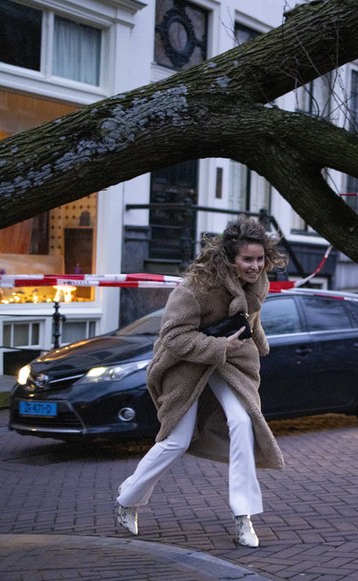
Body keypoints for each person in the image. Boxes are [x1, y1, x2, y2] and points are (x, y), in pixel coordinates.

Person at [115, 216, 286, 547]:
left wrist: (260, 343)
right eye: (247, 259)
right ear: (230, 258)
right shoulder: (195, 288)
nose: (255, 266)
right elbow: (174, 337)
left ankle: (243, 517)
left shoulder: (258, 281)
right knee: (176, 441)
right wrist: (220, 346)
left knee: (242, 422)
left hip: (231, 364)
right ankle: (127, 501)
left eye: (260, 258)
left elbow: (250, 316)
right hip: (186, 365)